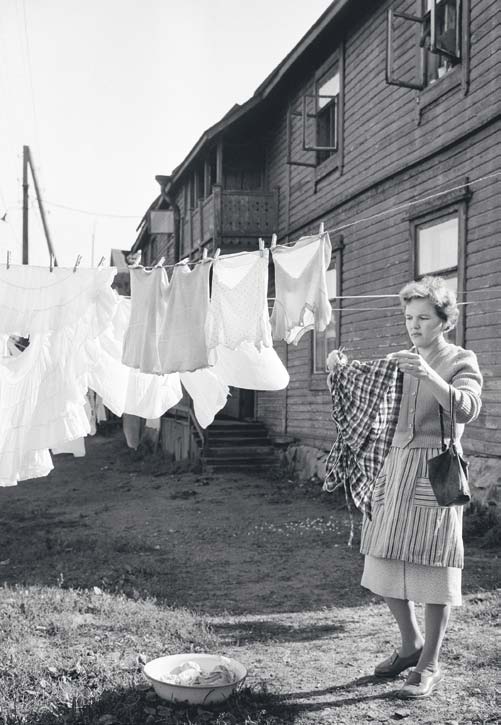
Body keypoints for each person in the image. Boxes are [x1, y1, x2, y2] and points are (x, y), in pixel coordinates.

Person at [359, 276, 483, 699]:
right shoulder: (399, 359)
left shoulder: (460, 359)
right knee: (380, 557)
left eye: (424, 318)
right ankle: (410, 643)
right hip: (395, 466)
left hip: (437, 469)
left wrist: (428, 373)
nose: (414, 325)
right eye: (409, 317)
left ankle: (429, 663)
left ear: (443, 320)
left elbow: (466, 408)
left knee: (434, 567)